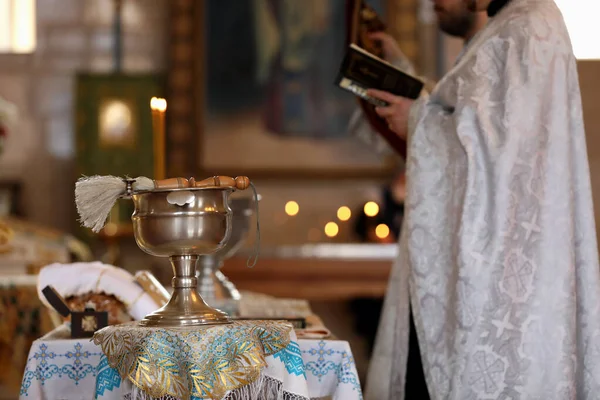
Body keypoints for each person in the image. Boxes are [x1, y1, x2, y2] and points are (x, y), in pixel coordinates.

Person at [365, 0, 600, 399]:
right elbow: (468, 117)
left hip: (506, 271)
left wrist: (418, 121)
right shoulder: (508, 26)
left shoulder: (530, 26)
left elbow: (501, 158)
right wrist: (405, 82)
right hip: (479, 266)